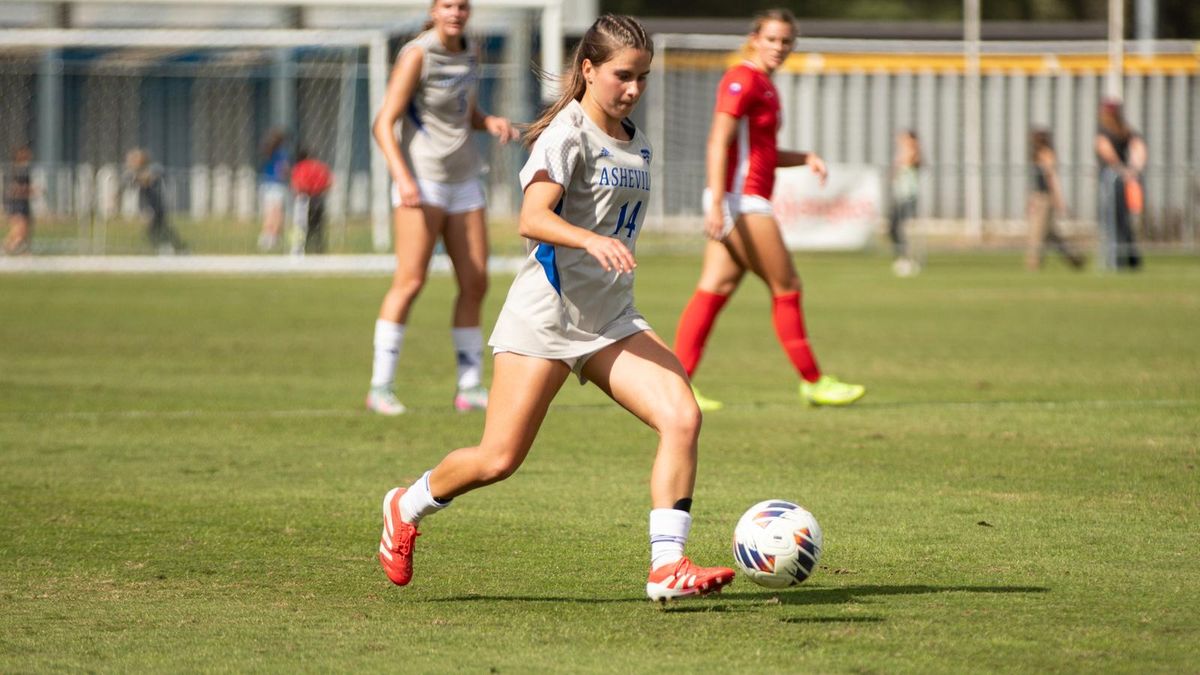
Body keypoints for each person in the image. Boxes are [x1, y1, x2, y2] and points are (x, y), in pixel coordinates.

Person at [377, 14, 735, 602]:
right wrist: (588, 238)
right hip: (547, 317)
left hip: (610, 320)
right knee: (498, 459)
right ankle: (405, 504)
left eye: (643, 78)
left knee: (682, 416)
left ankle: (666, 566)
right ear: (588, 70)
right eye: (624, 76)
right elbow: (531, 217)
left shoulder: (635, 137)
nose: (634, 89)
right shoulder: (565, 133)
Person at [673, 9, 865, 412]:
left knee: (714, 290)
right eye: (772, 39)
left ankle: (678, 386)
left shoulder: (765, 85)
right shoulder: (742, 79)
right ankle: (813, 381)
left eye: (786, 41)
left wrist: (805, 157)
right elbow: (717, 141)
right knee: (787, 284)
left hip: (737, 200)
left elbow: (758, 152)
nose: (779, 47)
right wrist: (718, 203)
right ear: (754, 39)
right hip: (741, 203)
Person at [366, 0, 519, 415]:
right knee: (411, 281)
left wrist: (487, 122)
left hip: (465, 179)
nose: (456, 12)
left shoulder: (471, 49)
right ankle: (380, 386)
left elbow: (460, 111)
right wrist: (403, 177)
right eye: (448, 5)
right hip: (423, 180)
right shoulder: (418, 53)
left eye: (463, 6)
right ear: (434, 10)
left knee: (476, 282)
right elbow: (384, 122)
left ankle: (469, 387)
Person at [1095, 98, 1146, 271]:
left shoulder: (1106, 130)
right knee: (1125, 220)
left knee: (1112, 220)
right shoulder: (1125, 130)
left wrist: (1122, 170)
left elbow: (1106, 151)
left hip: (1112, 180)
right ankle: (1131, 257)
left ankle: (1116, 258)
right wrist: (1133, 170)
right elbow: (1139, 149)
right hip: (1126, 179)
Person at [1027, 129, 1084, 271]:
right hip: (1038, 196)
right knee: (1051, 235)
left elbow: (1052, 179)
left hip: (1046, 198)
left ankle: (1033, 264)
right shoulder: (1036, 156)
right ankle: (1074, 257)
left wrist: (1058, 200)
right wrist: (1031, 199)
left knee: (1038, 233)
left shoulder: (1047, 155)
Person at [125, 148, 187, 255]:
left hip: (155, 206)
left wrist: (139, 178)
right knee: (158, 229)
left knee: (157, 228)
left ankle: (172, 248)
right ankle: (176, 248)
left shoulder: (151, 169)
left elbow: (149, 178)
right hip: (148, 205)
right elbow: (131, 183)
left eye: (133, 160)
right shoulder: (135, 174)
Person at [288, 149, 333, 255]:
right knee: (318, 227)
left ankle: (297, 250)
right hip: (318, 199)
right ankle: (319, 249)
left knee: (299, 226)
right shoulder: (320, 167)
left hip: (303, 199)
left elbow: (297, 184)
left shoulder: (300, 167)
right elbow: (329, 182)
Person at [889, 130, 921, 277]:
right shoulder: (904, 153)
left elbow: (909, 162)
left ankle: (906, 258)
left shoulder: (914, 153)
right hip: (900, 195)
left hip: (908, 196)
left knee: (900, 227)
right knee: (893, 228)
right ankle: (902, 256)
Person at [257, 129, 290, 252]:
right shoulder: (282, 153)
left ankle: (265, 238)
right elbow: (283, 170)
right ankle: (273, 239)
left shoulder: (268, 151)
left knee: (268, 213)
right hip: (277, 185)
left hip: (266, 184)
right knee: (277, 213)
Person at [3, 145, 33, 255]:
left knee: (23, 230)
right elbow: (14, 188)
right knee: (18, 230)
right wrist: (31, 190)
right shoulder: (16, 171)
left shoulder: (24, 170)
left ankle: (21, 250)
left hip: (23, 203)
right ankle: (8, 248)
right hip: (16, 204)